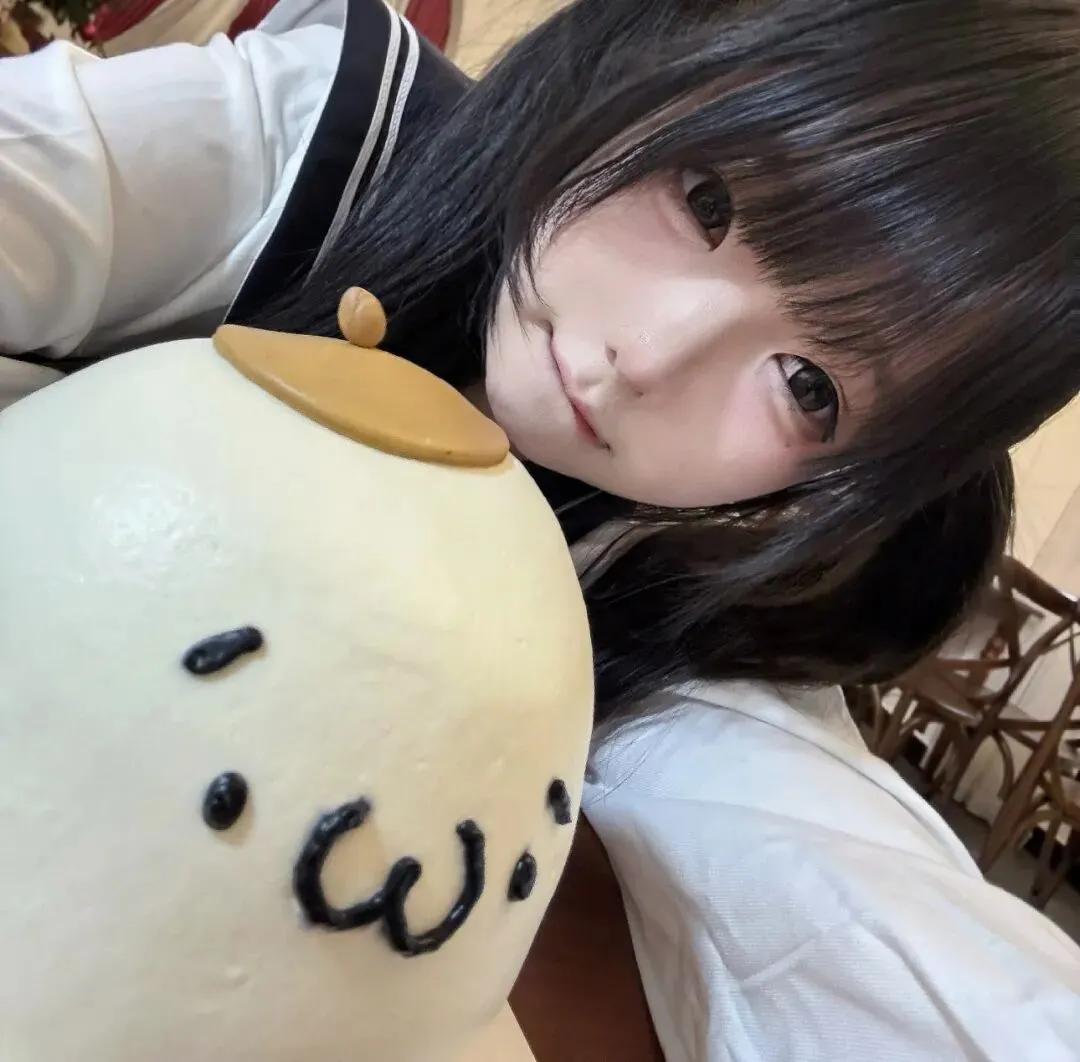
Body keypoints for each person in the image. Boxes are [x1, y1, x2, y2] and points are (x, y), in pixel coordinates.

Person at [2, 0, 1079, 1056]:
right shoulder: (315, 142)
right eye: (706, 201)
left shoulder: (668, 572)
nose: (647, 359)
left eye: (809, 387)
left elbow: (817, 869)